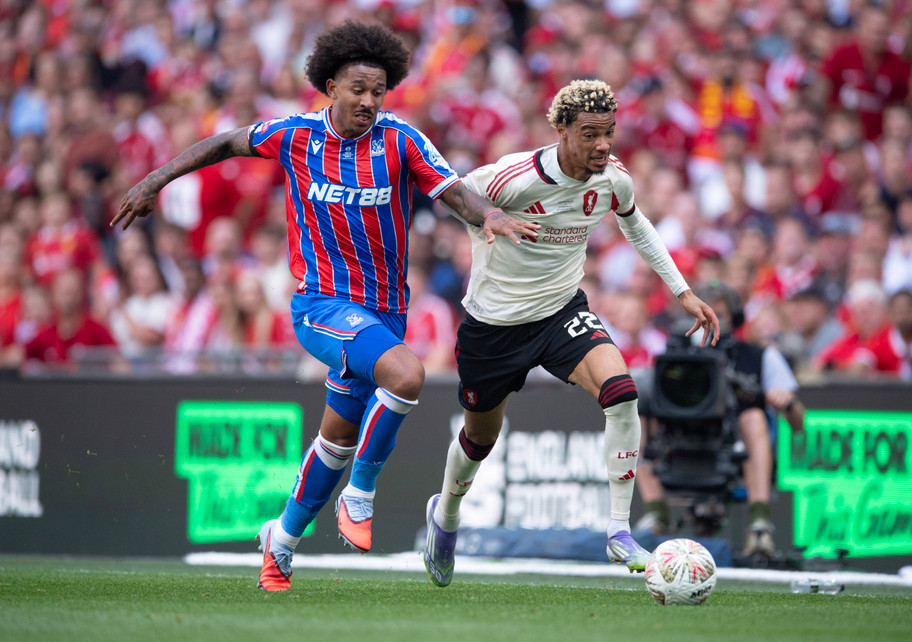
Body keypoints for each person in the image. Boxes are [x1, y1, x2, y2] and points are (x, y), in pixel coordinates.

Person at [112, 20, 537, 592]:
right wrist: (155, 180)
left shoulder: (402, 140)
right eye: (357, 89)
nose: (368, 100)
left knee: (336, 435)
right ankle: (359, 497)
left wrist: (486, 214)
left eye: (378, 90)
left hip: (383, 311)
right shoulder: (293, 135)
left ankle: (280, 542)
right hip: (320, 305)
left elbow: (453, 189)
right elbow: (224, 142)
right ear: (330, 86)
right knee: (407, 372)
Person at [421, 79, 721, 587]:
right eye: (590, 134)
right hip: (494, 327)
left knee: (622, 392)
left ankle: (619, 531)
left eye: (609, 133)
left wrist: (681, 291)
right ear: (561, 130)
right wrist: (488, 219)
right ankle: (445, 514)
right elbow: (451, 194)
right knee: (478, 440)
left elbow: (637, 224)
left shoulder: (612, 179)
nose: (603, 145)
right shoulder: (513, 176)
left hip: (561, 312)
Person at [636, 281, 805, 559]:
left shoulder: (760, 357)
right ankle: (656, 514)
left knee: (752, 416)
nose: (709, 321)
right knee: (638, 413)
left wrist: (787, 403)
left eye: (720, 315)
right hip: (679, 444)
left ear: (735, 318)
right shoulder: (673, 357)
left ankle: (759, 524)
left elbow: (799, 425)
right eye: (700, 313)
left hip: (731, 451)